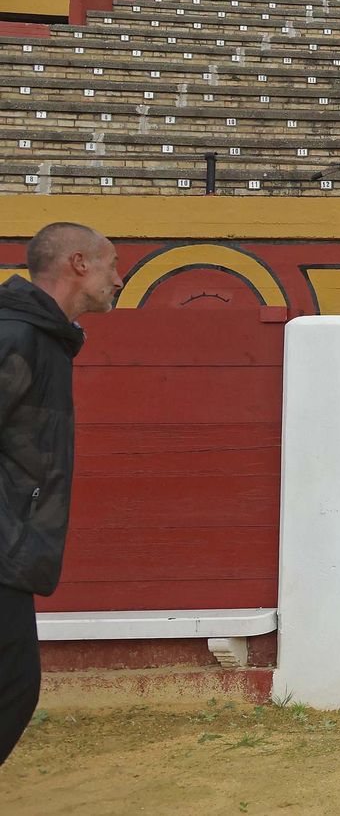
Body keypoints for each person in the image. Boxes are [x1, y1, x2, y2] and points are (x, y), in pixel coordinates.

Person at [1, 222, 121, 766]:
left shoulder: (41, 337)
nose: (118, 278)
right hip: (3, 546)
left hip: (11, 547)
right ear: (78, 264)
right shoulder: (16, 335)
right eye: (110, 265)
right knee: (13, 687)